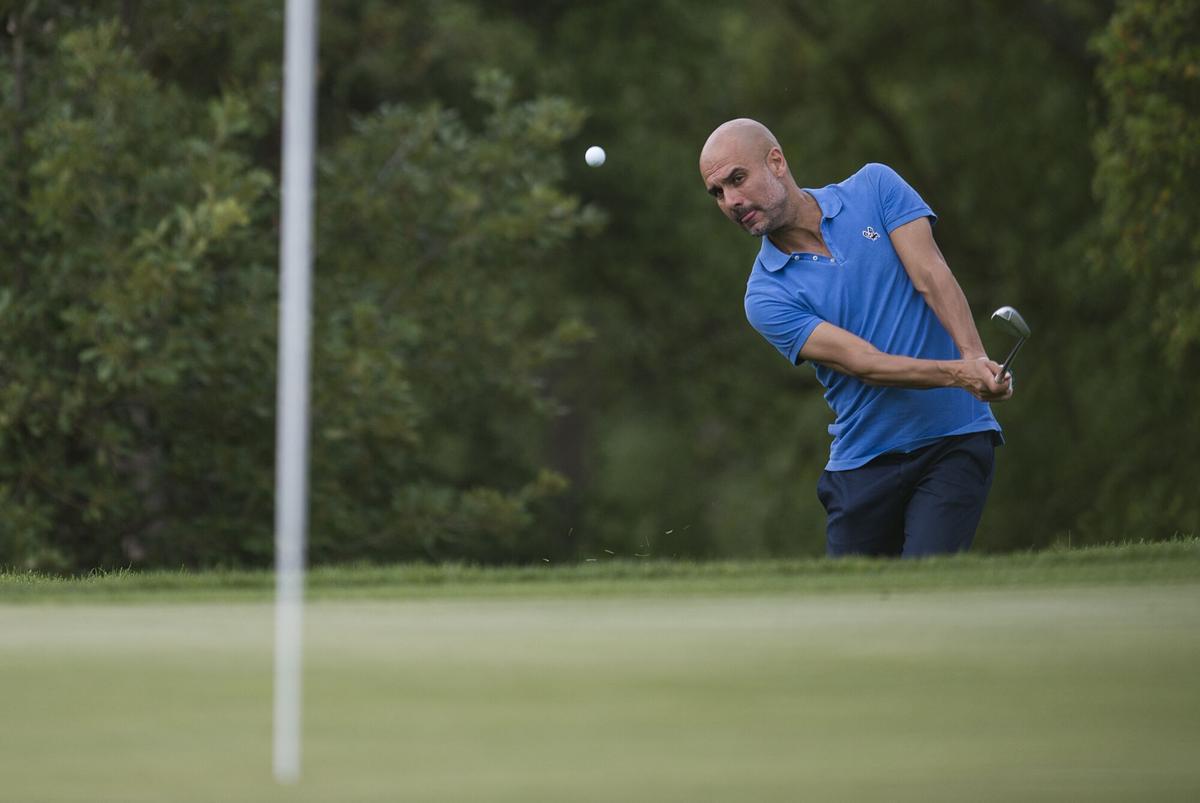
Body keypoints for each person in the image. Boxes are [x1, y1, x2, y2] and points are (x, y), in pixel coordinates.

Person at [698, 118, 1012, 558]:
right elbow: (864, 362)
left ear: (776, 161)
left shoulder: (875, 188)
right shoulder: (765, 295)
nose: (731, 200)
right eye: (717, 192)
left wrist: (974, 355)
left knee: (927, 587)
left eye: (737, 179)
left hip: (953, 440)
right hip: (862, 466)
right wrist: (960, 372)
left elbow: (930, 274)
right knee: (853, 608)